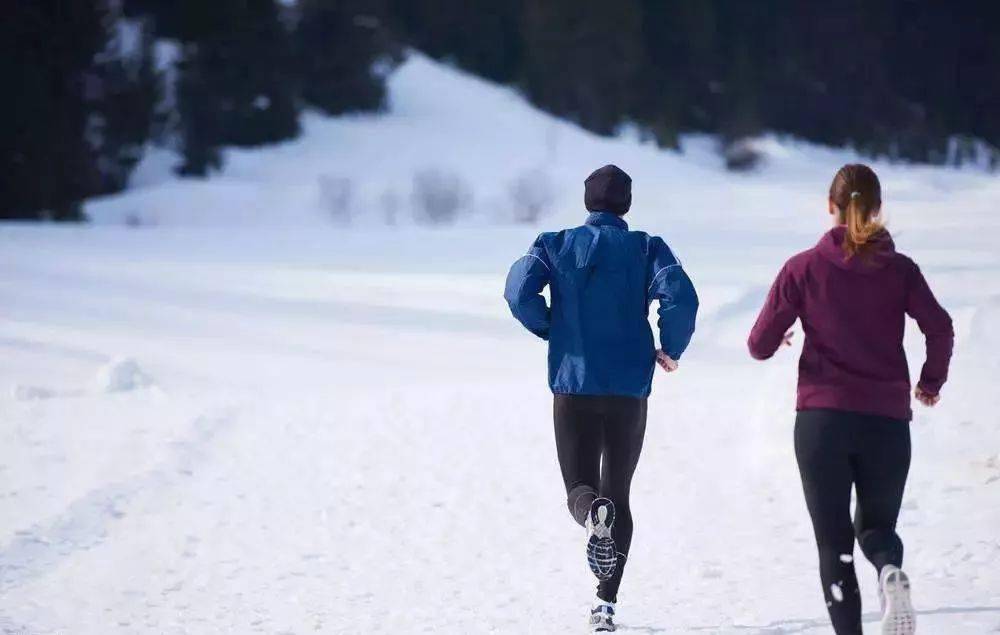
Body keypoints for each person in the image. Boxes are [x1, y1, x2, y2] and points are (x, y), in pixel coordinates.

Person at [748, 164, 953, 635]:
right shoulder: (900, 270)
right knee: (877, 528)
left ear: (830, 206)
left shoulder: (802, 268)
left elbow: (758, 344)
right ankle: (888, 571)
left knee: (834, 545)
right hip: (885, 422)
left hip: (822, 422)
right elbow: (939, 326)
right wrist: (930, 383)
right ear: (878, 209)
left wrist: (782, 336)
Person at [504, 164, 699, 632]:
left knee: (579, 488)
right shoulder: (647, 247)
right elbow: (681, 297)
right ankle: (606, 603)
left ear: (587, 201)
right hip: (629, 386)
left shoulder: (554, 244)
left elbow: (517, 292)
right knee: (621, 493)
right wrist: (669, 348)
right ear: (626, 205)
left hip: (574, 382)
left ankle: (592, 513)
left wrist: (552, 328)